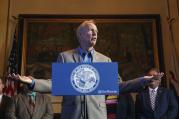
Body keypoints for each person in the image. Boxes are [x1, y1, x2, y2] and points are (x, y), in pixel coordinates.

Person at [13, 20, 163, 119]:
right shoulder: (65, 57)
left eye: (96, 31)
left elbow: (118, 86)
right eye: (91, 30)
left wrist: (142, 81)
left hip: (97, 114)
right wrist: (32, 82)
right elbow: (56, 83)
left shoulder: (105, 60)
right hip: (72, 114)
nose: (95, 33)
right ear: (80, 35)